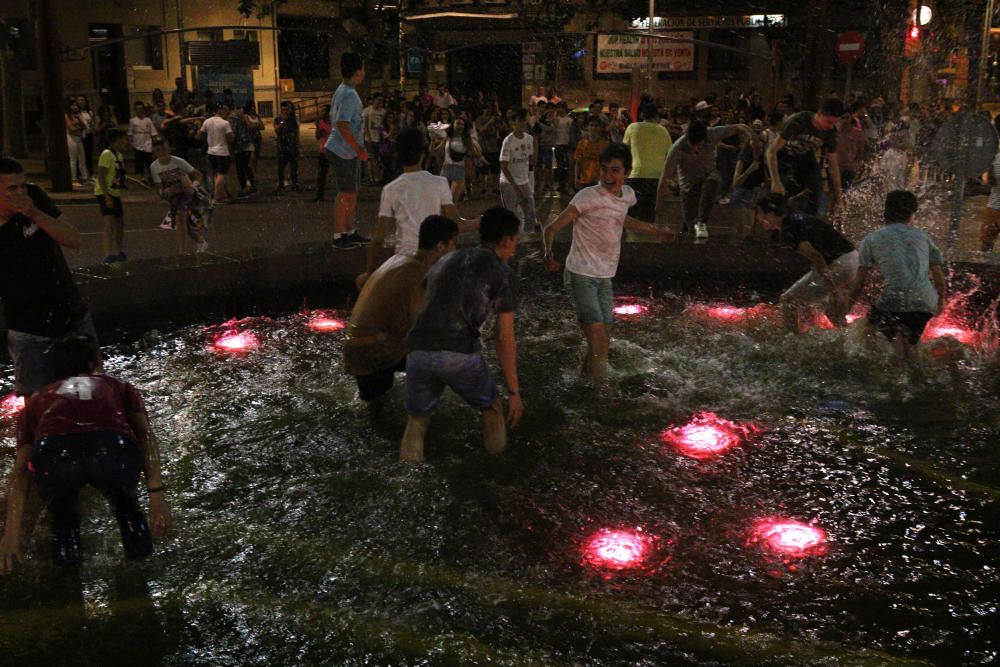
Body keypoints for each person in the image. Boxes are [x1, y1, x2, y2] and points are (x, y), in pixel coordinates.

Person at [0, 335, 171, 572]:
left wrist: (11, 534)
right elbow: (145, 435)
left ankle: (69, 580)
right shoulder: (119, 386)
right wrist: (156, 495)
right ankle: (141, 569)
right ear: (94, 363)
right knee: (126, 506)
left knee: (64, 518)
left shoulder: (38, 400)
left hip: (55, 454)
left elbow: (21, 471)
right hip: (112, 449)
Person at [400, 206, 524, 462]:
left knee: (417, 420)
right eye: (516, 241)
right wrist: (514, 392)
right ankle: (498, 468)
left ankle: (406, 478)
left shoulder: (448, 258)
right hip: (457, 353)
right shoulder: (503, 273)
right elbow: (504, 337)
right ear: (507, 240)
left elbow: (419, 296)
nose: (515, 247)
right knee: (492, 408)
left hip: (418, 349)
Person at [543, 143, 676, 380]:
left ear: (627, 172)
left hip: (605, 276)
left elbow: (623, 219)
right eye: (604, 170)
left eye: (615, 170)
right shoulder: (587, 197)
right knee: (599, 340)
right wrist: (549, 255)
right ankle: (599, 393)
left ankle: (583, 382)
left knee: (602, 338)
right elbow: (551, 228)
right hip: (580, 274)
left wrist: (656, 231)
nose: (607, 176)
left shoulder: (627, 196)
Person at [0, 156, 96, 399]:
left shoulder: (34, 198)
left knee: (85, 396)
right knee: (37, 403)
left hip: (71, 316)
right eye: (12, 188)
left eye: (22, 185)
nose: (21, 192)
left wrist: (34, 213)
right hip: (28, 329)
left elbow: (73, 239)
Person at [345, 216, 459, 403]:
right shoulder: (418, 275)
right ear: (440, 246)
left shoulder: (401, 260)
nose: (455, 250)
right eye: (453, 244)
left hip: (362, 346)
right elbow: (420, 329)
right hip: (369, 352)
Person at [361, 127, 477, 285]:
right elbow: (456, 223)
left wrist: (369, 273)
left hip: (403, 260)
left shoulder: (391, 189)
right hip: (434, 258)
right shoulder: (439, 183)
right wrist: (480, 222)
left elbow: (378, 238)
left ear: (398, 155)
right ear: (423, 154)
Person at [846, 190, 947, 355]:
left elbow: (859, 283)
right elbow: (939, 280)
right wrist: (940, 302)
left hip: (893, 300)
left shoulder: (871, 239)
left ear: (885, 213)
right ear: (912, 215)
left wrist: (846, 307)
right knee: (910, 346)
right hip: (925, 303)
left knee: (862, 330)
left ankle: (866, 367)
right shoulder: (924, 237)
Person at [753, 192, 858, 333]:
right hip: (852, 259)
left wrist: (832, 289)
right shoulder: (796, 218)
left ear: (771, 213)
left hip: (840, 264)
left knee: (788, 301)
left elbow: (816, 257)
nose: (757, 218)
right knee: (831, 312)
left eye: (759, 213)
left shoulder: (789, 229)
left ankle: (791, 337)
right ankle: (849, 338)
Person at [657, 119, 758, 239]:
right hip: (688, 184)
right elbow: (665, 178)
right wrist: (658, 207)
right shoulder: (677, 148)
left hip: (708, 174)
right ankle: (690, 230)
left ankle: (702, 222)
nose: (697, 150)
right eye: (693, 146)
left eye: (700, 145)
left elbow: (739, 126)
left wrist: (753, 137)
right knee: (689, 223)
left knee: (712, 181)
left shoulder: (712, 133)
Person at [766, 97, 844, 218]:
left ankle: (809, 223)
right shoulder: (799, 121)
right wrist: (775, 181)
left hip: (805, 158)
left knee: (816, 189)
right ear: (819, 114)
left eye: (834, 123)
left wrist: (839, 196)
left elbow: (834, 165)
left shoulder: (830, 132)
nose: (830, 126)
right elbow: (771, 151)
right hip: (784, 156)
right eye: (828, 122)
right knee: (780, 194)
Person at [326, 52, 370, 249]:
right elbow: (342, 124)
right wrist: (359, 149)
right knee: (346, 193)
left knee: (350, 192)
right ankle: (339, 235)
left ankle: (349, 231)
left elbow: (336, 121)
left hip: (343, 149)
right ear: (358, 72)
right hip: (344, 151)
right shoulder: (349, 94)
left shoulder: (343, 89)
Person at [149, 136, 208, 255]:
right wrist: (164, 193)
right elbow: (159, 188)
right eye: (158, 150)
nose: (162, 152)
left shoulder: (178, 161)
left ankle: (182, 253)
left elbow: (198, 175)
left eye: (164, 149)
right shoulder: (154, 167)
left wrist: (193, 186)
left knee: (181, 217)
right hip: (174, 197)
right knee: (184, 224)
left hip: (187, 194)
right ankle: (200, 241)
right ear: (154, 152)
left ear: (169, 149)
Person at [622, 103, 672, 223]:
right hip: (656, 176)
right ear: (656, 116)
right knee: (650, 213)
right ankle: (648, 239)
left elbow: (624, 149)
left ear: (642, 115)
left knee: (632, 212)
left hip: (635, 174)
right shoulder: (663, 131)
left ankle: (630, 240)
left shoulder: (632, 128)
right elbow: (669, 154)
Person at [498, 108, 537, 233]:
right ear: (512, 123)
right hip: (509, 184)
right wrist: (515, 187)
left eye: (524, 120)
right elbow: (503, 166)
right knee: (513, 217)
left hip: (524, 182)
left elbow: (531, 161)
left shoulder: (529, 139)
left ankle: (528, 239)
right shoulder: (508, 141)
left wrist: (536, 147)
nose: (523, 123)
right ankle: (513, 243)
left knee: (530, 213)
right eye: (520, 120)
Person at [95, 128, 130, 263]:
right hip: (105, 192)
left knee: (120, 223)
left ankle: (119, 251)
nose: (126, 142)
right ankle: (107, 254)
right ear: (118, 139)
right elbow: (101, 176)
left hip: (115, 192)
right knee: (109, 222)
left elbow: (116, 174)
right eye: (125, 139)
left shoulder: (118, 155)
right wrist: (107, 196)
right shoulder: (106, 154)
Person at [196, 103, 234, 204]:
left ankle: (215, 194)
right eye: (225, 110)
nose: (227, 113)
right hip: (222, 152)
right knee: (221, 175)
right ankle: (218, 197)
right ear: (219, 110)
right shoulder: (225, 123)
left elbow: (199, 135)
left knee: (212, 175)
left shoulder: (207, 122)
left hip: (211, 151)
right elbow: (230, 139)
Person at [441, 116, 479, 203]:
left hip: (459, 169)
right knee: (443, 200)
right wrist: (432, 141)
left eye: (462, 124)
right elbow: (437, 152)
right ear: (453, 125)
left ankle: (451, 216)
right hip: (446, 169)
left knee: (453, 200)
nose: (460, 126)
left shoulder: (466, 139)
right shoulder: (448, 138)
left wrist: (470, 144)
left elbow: (477, 154)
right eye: (458, 123)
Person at [573, 116, 609, 191]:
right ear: (587, 127)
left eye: (596, 125)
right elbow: (577, 162)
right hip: (585, 179)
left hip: (600, 180)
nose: (594, 128)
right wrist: (576, 178)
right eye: (591, 125)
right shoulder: (581, 143)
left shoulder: (605, 144)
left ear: (599, 128)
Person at [128, 102, 158, 184]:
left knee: (149, 160)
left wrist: (155, 143)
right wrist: (131, 143)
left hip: (147, 142)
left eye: (141, 108)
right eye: (137, 108)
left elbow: (153, 132)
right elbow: (130, 133)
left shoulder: (148, 120)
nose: (139, 110)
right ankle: (142, 177)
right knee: (140, 161)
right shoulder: (133, 120)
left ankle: (150, 175)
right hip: (138, 142)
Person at [274, 101, 300, 192]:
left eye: (286, 109)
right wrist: (283, 121)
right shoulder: (278, 119)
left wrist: (297, 145)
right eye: (283, 109)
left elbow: (296, 132)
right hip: (282, 146)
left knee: (294, 167)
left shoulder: (293, 119)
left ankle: (295, 184)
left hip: (292, 146)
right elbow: (277, 130)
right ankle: (281, 185)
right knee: (281, 168)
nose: (285, 111)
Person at [362, 93, 386, 185]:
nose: (380, 102)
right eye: (379, 100)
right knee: (371, 159)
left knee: (378, 159)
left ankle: (378, 177)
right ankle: (372, 178)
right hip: (370, 138)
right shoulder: (367, 111)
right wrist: (368, 137)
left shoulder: (383, 112)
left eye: (382, 101)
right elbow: (365, 126)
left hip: (380, 139)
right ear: (374, 100)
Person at [65, 99, 89, 185]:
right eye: (73, 105)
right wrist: (79, 127)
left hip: (79, 138)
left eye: (76, 105)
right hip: (71, 138)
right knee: (73, 159)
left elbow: (85, 126)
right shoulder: (67, 116)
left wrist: (79, 120)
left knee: (82, 159)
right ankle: (74, 179)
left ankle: (84, 177)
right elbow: (71, 128)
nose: (75, 107)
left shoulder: (79, 115)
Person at [982, 145, 1000, 253]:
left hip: (992, 208)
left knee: (986, 245)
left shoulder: (995, 158)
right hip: (993, 208)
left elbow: (986, 180)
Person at [315, 104, 333, 201]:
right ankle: (320, 195)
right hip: (324, 151)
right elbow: (317, 137)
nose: (321, 113)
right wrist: (318, 127)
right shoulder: (321, 122)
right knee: (321, 175)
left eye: (323, 111)